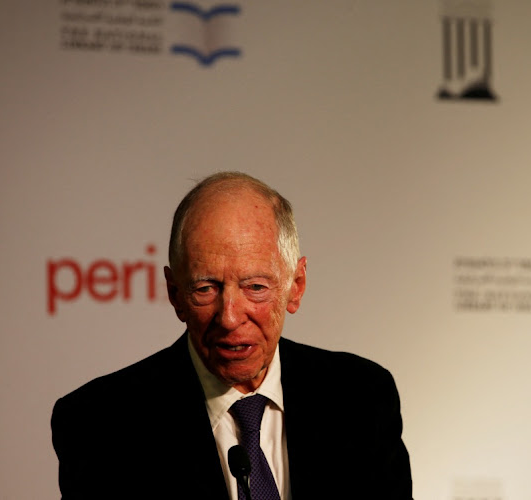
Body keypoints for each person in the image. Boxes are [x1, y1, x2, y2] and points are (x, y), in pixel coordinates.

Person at [51, 172, 412, 500]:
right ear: (175, 294)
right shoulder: (99, 424)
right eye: (206, 288)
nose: (229, 317)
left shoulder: (362, 398)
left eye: (255, 287)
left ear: (296, 286)